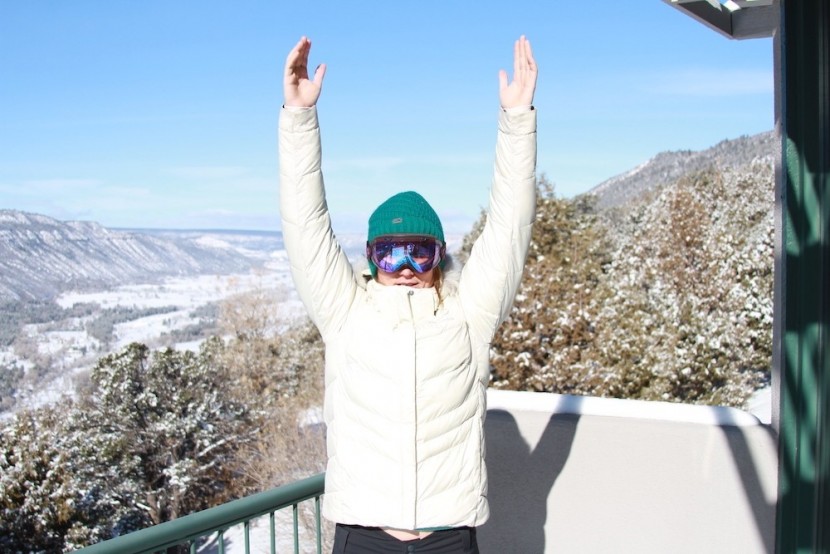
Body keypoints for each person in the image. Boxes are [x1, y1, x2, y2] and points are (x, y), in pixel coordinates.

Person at [279, 34, 537, 554]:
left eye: (418, 252)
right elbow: (306, 225)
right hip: (363, 536)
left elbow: (509, 228)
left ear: (438, 256)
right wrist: (299, 118)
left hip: (448, 537)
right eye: (389, 253)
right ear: (370, 258)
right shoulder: (346, 313)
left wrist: (517, 121)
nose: (404, 268)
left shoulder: (468, 315)